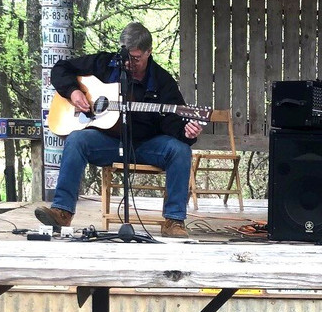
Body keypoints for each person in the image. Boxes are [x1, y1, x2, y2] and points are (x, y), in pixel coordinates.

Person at [35, 22, 203, 237]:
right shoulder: (104, 63)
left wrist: (186, 132)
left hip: (146, 144)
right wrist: (73, 92)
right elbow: (61, 69)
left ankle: (174, 221)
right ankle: (62, 212)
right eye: (125, 56)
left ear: (149, 52)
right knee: (77, 140)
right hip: (108, 142)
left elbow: (172, 122)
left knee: (180, 150)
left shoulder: (162, 81)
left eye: (136, 58)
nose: (129, 63)